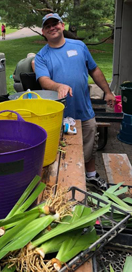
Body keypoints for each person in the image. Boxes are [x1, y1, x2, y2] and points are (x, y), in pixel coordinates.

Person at [35, 13, 115, 191]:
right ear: (43, 32)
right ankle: (63, 183)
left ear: (62, 26)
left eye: (55, 24)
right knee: (61, 149)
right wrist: (57, 86)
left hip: (83, 110)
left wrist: (108, 92)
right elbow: (43, 80)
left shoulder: (79, 46)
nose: (52, 27)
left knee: (90, 143)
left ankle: (91, 176)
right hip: (59, 115)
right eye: (47, 26)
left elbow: (94, 70)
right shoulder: (41, 56)